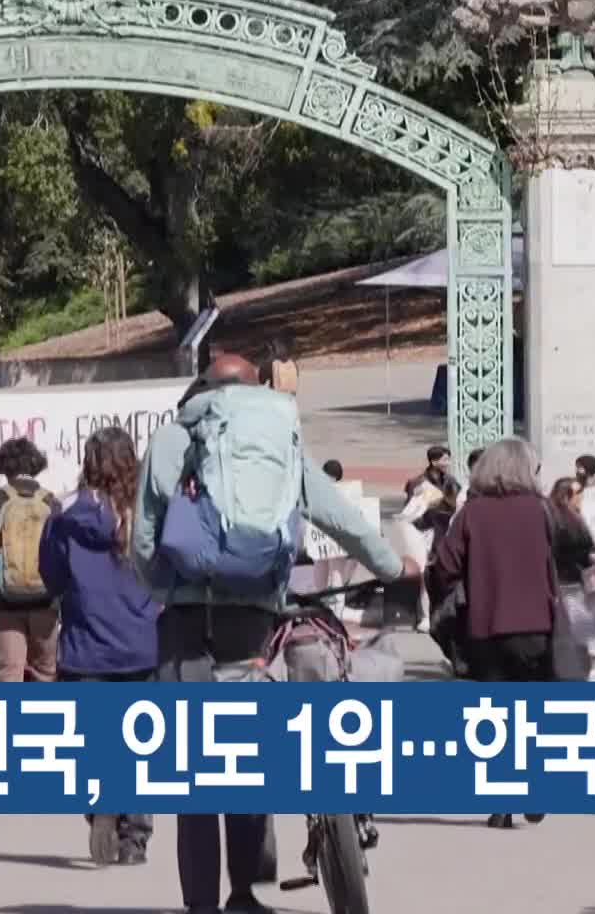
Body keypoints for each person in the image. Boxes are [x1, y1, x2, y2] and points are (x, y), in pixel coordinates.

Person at [133, 354, 420, 914]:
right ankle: (243, 894)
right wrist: (391, 568)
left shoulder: (175, 437)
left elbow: (144, 538)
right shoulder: (280, 437)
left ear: (203, 388)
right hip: (256, 625)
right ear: (256, 390)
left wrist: (165, 589)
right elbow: (340, 517)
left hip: (188, 624)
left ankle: (201, 905)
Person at [40, 427, 159, 866]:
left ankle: (100, 805)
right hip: (142, 641)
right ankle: (135, 837)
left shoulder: (63, 515)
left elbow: (50, 576)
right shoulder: (148, 513)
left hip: (84, 642)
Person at [428, 438, 559, 829]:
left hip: (485, 627)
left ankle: (501, 802)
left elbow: (444, 567)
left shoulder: (473, 514)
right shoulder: (542, 511)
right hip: (537, 624)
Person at [0, 438, 60, 682]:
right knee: (46, 673)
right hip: (46, 604)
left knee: (9, 674)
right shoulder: (52, 503)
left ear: (3, 466)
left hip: (6, 605)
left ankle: (11, 720)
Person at [547, 478, 595, 681]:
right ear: (565, 495)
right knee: (577, 629)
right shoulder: (557, 520)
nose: (581, 497)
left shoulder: (575, 517)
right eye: (577, 493)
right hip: (569, 582)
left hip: (578, 580)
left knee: (579, 629)